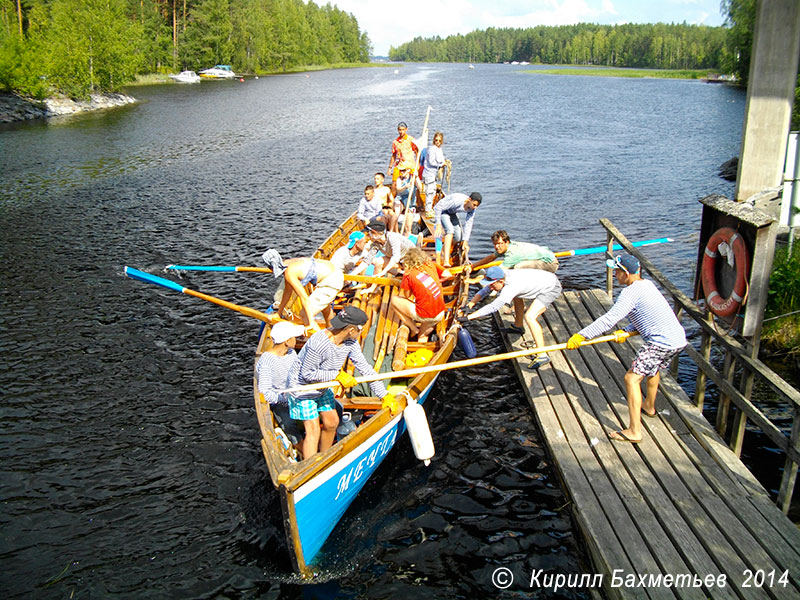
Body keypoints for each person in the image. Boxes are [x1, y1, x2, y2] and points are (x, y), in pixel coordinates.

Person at [566, 253, 686, 444]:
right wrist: (626, 330)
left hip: (661, 342)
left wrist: (582, 335)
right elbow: (647, 317)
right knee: (651, 369)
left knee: (631, 378)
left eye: (616, 271)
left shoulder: (630, 293)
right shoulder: (647, 285)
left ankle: (634, 431)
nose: (614, 275)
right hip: (677, 339)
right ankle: (649, 407)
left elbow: (609, 319)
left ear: (626, 273)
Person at [286, 306, 397, 459]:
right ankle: (310, 465)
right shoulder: (319, 343)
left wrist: (384, 395)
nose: (362, 333)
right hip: (302, 389)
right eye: (361, 329)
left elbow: (365, 369)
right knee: (313, 430)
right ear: (351, 330)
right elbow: (307, 374)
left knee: (332, 422)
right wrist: (337, 375)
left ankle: (324, 458)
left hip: (322, 387)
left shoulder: (350, 343)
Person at [459, 265, 562, 369]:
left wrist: (469, 317)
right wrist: (470, 305)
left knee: (530, 316)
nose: (490, 287)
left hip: (550, 287)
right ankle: (518, 326)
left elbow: (494, 307)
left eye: (492, 285)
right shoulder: (502, 276)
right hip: (541, 280)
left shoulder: (511, 287)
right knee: (517, 297)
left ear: (500, 282)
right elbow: (484, 291)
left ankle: (542, 355)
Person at [262, 250, 344, 331]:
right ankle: (333, 332)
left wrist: (310, 323)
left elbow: (304, 298)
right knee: (325, 308)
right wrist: (279, 313)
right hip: (336, 273)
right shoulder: (290, 262)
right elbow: (288, 292)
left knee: (304, 315)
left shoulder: (289, 273)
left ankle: (322, 342)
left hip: (331, 281)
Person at [256, 320, 306, 447]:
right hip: (280, 401)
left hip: (296, 394)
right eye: (294, 337)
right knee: (289, 423)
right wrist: (285, 398)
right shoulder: (267, 361)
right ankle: (299, 445)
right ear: (287, 342)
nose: (297, 339)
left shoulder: (291, 353)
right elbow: (265, 392)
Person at [390, 247, 450, 342]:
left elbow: (406, 296)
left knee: (394, 301)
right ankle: (423, 346)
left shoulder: (409, 274)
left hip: (425, 315)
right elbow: (448, 274)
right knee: (422, 336)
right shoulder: (431, 264)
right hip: (440, 313)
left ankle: (413, 328)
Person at [470, 230, 559, 273]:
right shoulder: (504, 247)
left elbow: (498, 272)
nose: (497, 246)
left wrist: (475, 280)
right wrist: (473, 266)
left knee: (517, 267)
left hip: (550, 263)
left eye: (500, 243)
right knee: (512, 269)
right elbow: (491, 257)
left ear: (507, 242)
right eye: (495, 244)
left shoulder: (512, 254)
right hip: (541, 258)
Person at [433, 191, 482, 267]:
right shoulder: (457, 201)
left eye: (476, 206)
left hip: (452, 213)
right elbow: (438, 207)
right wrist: (438, 224)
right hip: (442, 211)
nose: (474, 207)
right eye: (474, 205)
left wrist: (465, 240)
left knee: (458, 237)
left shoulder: (472, 209)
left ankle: (444, 249)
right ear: (469, 199)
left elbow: (469, 223)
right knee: (450, 231)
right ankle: (446, 261)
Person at [420, 131, 446, 217]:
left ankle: (430, 208)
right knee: (429, 192)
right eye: (436, 140)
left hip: (434, 174)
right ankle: (428, 210)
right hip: (429, 174)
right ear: (433, 140)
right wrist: (441, 164)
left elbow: (441, 159)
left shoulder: (439, 150)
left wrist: (444, 163)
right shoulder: (432, 149)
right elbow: (431, 162)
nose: (437, 142)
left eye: (439, 140)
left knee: (433, 191)